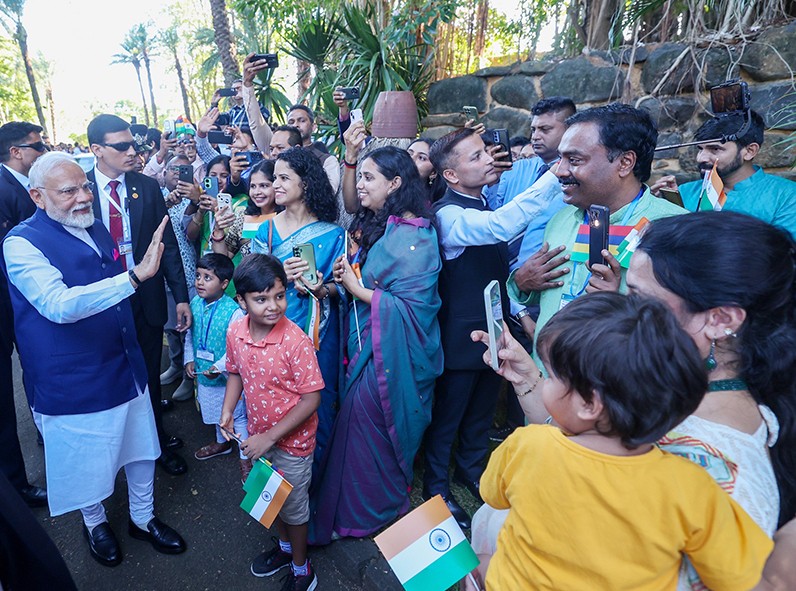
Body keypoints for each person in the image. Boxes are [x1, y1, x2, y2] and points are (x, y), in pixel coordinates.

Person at [470, 211, 796, 591]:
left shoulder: (722, 480)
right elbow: (588, 439)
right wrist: (531, 380)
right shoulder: (658, 392)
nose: (623, 309)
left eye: (639, 299)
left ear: (720, 319)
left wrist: (501, 569)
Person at [2, 152, 186, 567]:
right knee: (86, 462)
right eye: (68, 191)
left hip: (123, 362)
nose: (83, 197)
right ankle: (95, 523)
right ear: (36, 195)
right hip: (73, 378)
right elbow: (58, 304)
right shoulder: (20, 244)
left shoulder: (93, 225)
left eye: (84, 187)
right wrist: (135, 276)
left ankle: (143, 518)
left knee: (141, 447)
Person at [423, 127, 561, 529]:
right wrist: (553, 175)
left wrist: (516, 311)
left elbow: (498, 272)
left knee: (482, 412)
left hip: (495, 331)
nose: (488, 159)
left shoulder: (481, 202)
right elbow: (501, 227)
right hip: (461, 337)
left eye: (486, 152)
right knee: (449, 417)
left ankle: (471, 469)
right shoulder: (449, 214)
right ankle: (436, 487)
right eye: (476, 156)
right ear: (450, 175)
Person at [309, 147, 444, 544]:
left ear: (395, 183)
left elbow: (415, 305)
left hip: (395, 353)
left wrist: (357, 287)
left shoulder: (416, 235)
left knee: (373, 424)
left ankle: (372, 509)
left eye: (368, 178)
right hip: (365, 343)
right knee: (356, 429)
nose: (359, 187)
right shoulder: (377, 224)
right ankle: (354, 506)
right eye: (360, 176)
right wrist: (344, 280)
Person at [507, 103, 686, 372]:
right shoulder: (561, 219)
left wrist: (618, 305)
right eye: (561, 159)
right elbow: (545, 296)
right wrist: (522, 283)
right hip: (544, 386)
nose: (560, 171)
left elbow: (685, 328)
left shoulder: (674, 227)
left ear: (625, 162)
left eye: (574, 160)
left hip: (618, 390)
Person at [86, 114, 191, 476]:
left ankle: (156, 444)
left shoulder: (145, 187)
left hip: (144, 298)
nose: (133, 151)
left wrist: (180, 296)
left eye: (134, 144)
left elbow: (170, 247)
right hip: (101, 303)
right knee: (109, 377)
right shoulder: (79, 191)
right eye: (122, 146)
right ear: (96, 150)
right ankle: (114, 455)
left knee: (147, 373)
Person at [220, 254, 322, 591]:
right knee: (270, 496)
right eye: (261, 299)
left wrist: (269, 438)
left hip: (292, 445)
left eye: (279, 295)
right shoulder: (236, 330)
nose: (273, 306)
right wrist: (227, 410)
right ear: (241, 301)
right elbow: (234, 370)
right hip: (258, 435)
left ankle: (302, 568)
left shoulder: (296, 342)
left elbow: (311, 399)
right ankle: (285, 549)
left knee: (293, 508)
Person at [252, 148, 344, 465]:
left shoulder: (335, 235)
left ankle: (316, 482)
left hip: (319, 335)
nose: (274, 184)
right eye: (274, 177)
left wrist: (322, 288)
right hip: (274, 335)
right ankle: (276, 479)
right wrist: (278, 273)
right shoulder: (265, 229)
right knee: (275, 402)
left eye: (282, 178)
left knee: (317, 403)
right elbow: (249, 282)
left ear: (305, 183)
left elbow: (343, 287)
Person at [0, 121, 48, 508]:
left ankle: (45, 424)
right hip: (9, 305)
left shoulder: (23, 184)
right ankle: (16, 487)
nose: (43, 152)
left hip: (28, 305)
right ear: (16, 152)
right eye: (38, 147)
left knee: (37, 369)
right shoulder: (2, 189)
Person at [651, 110, 796, 238]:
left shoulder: (786, 195)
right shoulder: (684, 192)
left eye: (715, 149)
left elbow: (783, 256)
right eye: (700, 149)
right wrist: (663, 207)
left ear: (750, 151)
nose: (700, 158)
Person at [184, 254, 248, 479]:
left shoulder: (234, 313)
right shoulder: (194, 303)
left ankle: (245, 457)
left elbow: (237, 348)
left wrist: (220, 367)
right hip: (204, 374)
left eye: (207, 278)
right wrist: (190, 360)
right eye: (198, 276)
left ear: (224, 284)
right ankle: (222, 443)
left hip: (226, 377)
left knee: (236, 415)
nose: (200, 282)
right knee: (213, 410)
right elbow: (190, 337)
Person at [160, 154, 201, 402]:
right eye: (173, 168)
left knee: (188, 328)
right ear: (163, 172)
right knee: (170, 327)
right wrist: (164, 204)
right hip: (161, 276)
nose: (177, 173)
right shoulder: (155, 198)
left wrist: (194, 203)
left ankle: (190, 377)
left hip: (188, 275)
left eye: (184, 170)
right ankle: (176, 365)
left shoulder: (195, 200)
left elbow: (193, 235)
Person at [212, 159, 278, 263]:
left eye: (264, 186)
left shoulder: (286, 217)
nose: (257, 192)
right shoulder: (243, 216)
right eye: (253, 186)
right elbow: (223, 259)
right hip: (248, 278)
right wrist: (218, 230)